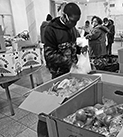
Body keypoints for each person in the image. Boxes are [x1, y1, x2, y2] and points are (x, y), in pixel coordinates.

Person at [37, 2, 81, 137]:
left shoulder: (73, 29)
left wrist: (80, 49)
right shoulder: (51, 29)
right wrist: (68, 61)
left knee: (71, 104)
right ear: (64, 16)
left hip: (73, 72)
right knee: (55, 104)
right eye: (72, 21)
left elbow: (75, 47)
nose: (74, 25)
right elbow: (49, 55)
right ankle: (47, 131)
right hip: (59, 74)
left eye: (76, 22)